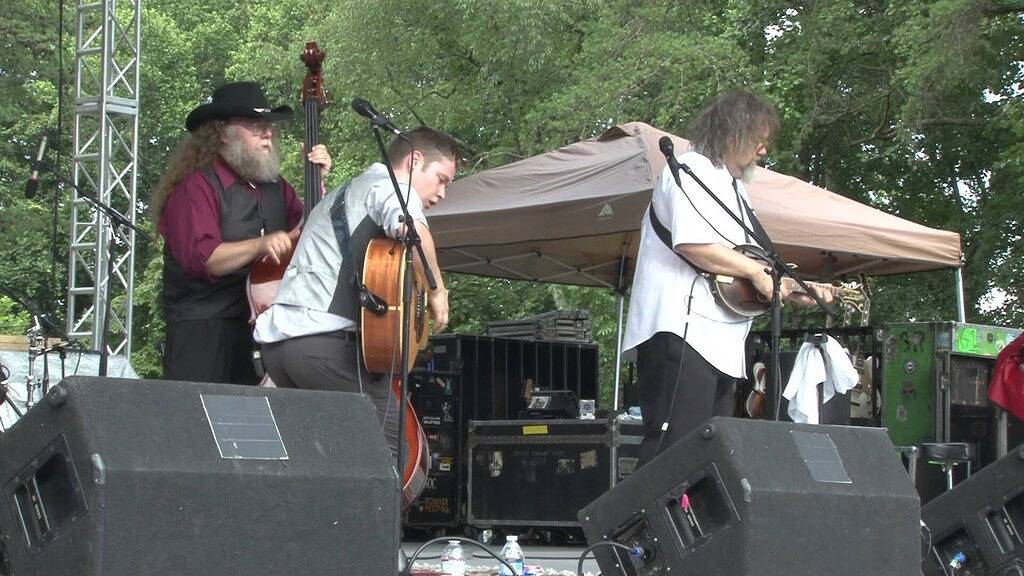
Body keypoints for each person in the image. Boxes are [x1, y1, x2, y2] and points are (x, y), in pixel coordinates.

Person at [621, 89, 831, 465]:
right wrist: (754, 270)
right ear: (733, 132)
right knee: (672, 451)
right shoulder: (691, 169)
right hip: (681, 329)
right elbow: (693, 244)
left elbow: (745, 266)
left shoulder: (735, 189)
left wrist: (785, 287)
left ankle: (684, 523)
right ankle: (641, 525)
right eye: (758, 141)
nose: (763, 151)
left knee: (704, 454)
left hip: (720, 339)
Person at [253, 126, 458, 443]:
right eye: (441, 179)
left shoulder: (342, 193)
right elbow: (413, 231)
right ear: (415, 160)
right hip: (324, 346)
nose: (442, 193)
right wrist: (436, 290)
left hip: (281, 351)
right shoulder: (389, 189)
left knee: (325, 456)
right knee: (388, 450)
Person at [153, 81, 332, 385]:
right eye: (254, 125)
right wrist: (261, 245)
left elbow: (307, 236)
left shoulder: (276, 187)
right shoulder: (195, 188)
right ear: (222, 134)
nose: (267, 134)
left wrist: (319, 182)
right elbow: (207, 258)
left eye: (268, 126)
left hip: (262, 325)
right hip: (204, 330)